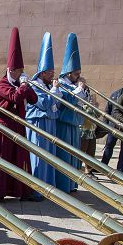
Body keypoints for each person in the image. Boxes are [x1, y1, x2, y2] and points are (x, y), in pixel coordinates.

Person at [0, 28, 37, 201]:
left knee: (20, 159)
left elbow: (33, 100)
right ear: (10, 70)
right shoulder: (1, 84)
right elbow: (14, 97)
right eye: (17, 70)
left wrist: (28, 86)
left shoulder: (20, 84)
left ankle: (23, 191)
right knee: (5, 159)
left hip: (19, 125)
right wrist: (23, 87)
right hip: (5, 128)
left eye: (21, 70)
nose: (20, 74)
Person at [52, 33, 87, 191]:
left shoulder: (74, 85)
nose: (78, 76)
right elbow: (69, 100)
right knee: (65, 155)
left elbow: (83, 100)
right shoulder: (62, 84)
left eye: (79, 73)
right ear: (68, 73)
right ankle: (63, 184)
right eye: (75, 73)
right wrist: (79, 89)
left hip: (74, 123)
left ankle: (72, 184)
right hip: (64, 123)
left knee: (74, 157)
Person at [24, 32, 59, 188]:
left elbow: (54, 106)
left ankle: (47, 185)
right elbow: (44, 104)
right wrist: (54, 94)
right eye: (50, 73)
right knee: (38, 155)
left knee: (48, 156)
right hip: (38, 123)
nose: (52, 77)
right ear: (43, 72)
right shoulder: (35, 85)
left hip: (49, 122)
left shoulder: (46, 85)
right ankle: (36, 188)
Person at [100, 77, 123, 167]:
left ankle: (121, 169)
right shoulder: (115, 94)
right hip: (113, 125)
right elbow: (108, 109)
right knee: (109, 146)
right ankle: (103, 166)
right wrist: (105, 124)